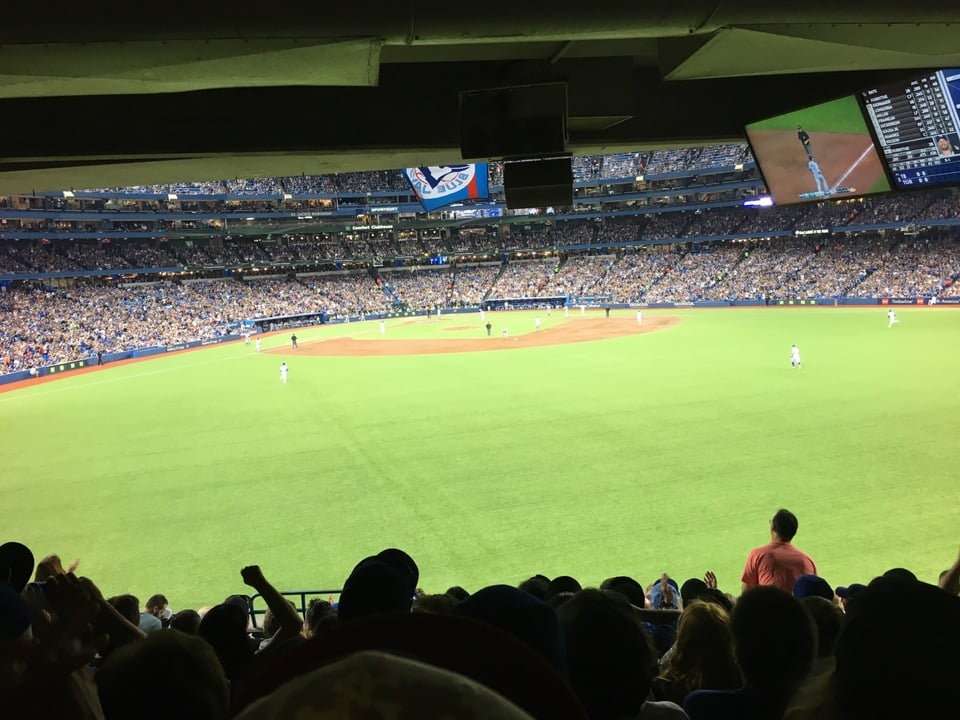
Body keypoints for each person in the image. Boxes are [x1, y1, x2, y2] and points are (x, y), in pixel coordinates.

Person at [741, 509, 817, 594]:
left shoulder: (757, 555)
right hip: (797, 603)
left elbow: (746, 593)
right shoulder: (808, 561)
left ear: (773, 527)